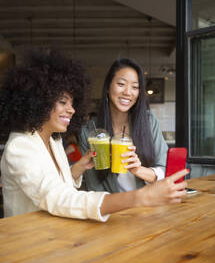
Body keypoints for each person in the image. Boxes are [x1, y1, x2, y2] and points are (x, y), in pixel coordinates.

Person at [0, 50, 188, 222]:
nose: (71, 110)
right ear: (39, 101)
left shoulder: (52, 141)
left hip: (59, 234)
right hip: (29, 242)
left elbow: (58, 184)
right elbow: (59, 198)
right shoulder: (21, 146)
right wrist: (140, 197)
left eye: (72, 103)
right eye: (63, 102)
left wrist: (78, 168)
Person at [79, 57, 169, 193]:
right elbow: (94, 188)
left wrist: (139, 170)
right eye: (121, 84)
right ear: (108, 87)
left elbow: (166, 169)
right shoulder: (90, 131)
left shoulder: (149, 121)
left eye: (135, 87)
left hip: (150, 205)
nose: (128, 92)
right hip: (113, 210)